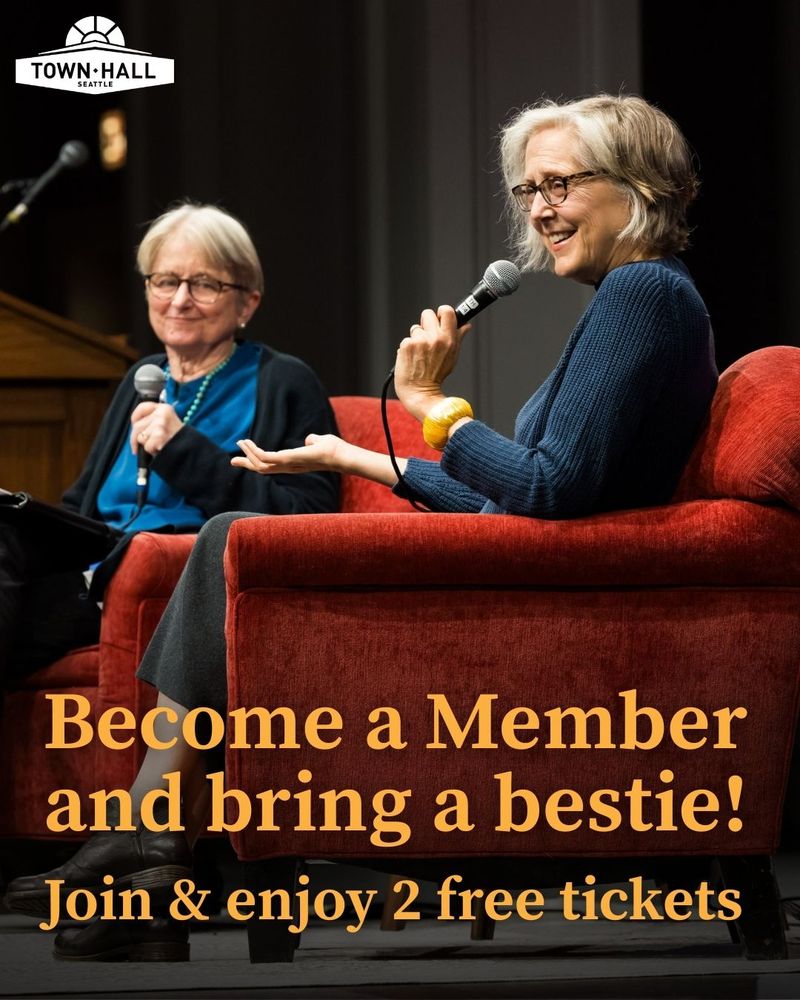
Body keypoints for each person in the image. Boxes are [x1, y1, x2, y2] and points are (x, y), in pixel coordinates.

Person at [4, 94, 718, 960]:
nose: (539, 209)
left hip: (543, 605)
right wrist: (358, 459)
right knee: (230, 538)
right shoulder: (636, 296)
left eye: (560, 184)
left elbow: (547, 487)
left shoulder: (644, 291)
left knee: (231, 536)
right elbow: (524, 499)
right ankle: (150, 847)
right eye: (529, 189)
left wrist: (429, 406)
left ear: (638, 184)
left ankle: (146, 837)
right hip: (538, 572)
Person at [0, 200, 339, 679]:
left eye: (204, 284)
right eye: (165, 281)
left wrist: (183, 449)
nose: (180, 300)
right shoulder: (143, 377)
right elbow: (81, 505)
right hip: (95, 570)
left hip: (176, 584)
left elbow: (309, 522)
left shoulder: (283, 381)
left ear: (247, 303)